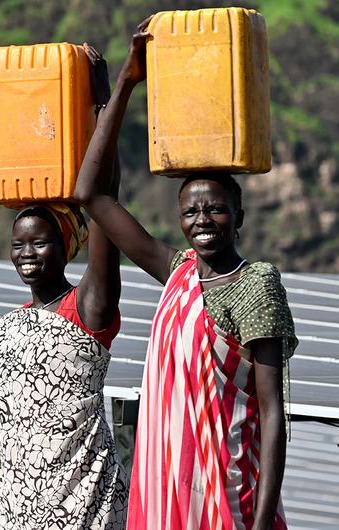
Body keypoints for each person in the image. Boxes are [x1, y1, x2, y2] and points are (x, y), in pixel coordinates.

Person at [72, 17, 297, 530]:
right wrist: (126, 83)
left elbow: (272, 412)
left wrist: (261, 523)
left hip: (230, 496)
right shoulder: (176, 272)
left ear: (238, 216)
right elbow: (92, 195)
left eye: (216, 209)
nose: (203, 221)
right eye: (191, 212)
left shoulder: (256, 283)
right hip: (167, 492)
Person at [0, 44, 128, 530]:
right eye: (18, 245)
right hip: (8, 509)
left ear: (68, 247)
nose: (26, 254)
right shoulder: (11, 324)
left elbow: (106, 203)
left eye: (39, 243)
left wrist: (103, 103)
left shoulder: (88, 307)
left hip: (80, 506)